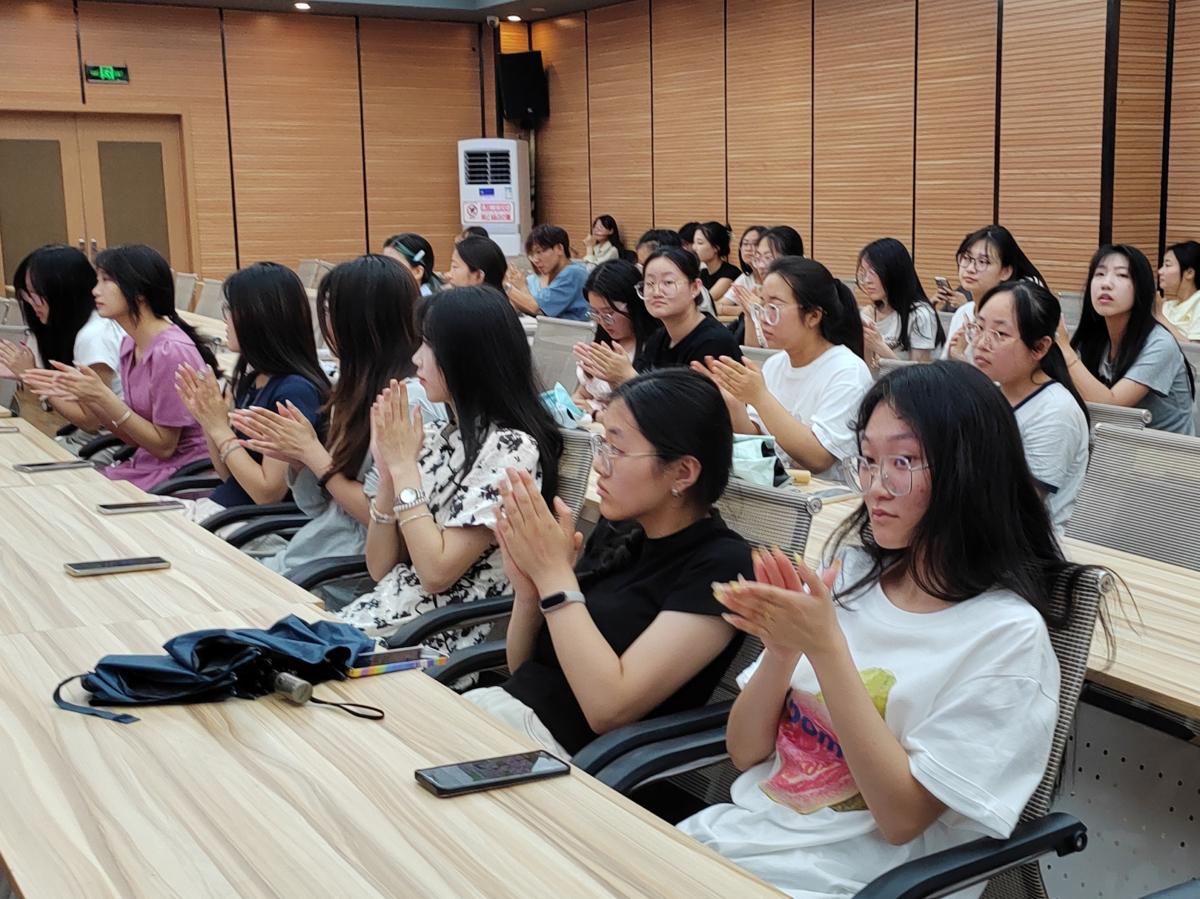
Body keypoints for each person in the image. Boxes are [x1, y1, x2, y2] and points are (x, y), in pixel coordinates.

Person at [679, 361, 1106, 898]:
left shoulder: (1006, 638)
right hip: (732, 845)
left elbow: (901, 818)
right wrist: (783, 653)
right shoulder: (851, 576)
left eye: (901, 462)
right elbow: (744, 753)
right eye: (868, 460)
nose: (875, 487)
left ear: (969, 472)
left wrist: (826, 649)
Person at [463, 368, 754, 758]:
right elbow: (525, 669)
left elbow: (608, 708)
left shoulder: (723, 565)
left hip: (563, 760)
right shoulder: (621, 529)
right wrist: (530, 592)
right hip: (503, 715)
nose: (600, 465)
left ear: (683, 472)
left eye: (616, 449)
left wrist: (555, 578)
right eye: (602, 445)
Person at [337, 286, 563, 644]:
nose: (416, 358)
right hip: (381, 620)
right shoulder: (443, 436)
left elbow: (435, 573)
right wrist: (390, 475)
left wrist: (404, 469)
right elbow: (380, 568)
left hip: (429, 642)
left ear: (468, 356)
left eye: (429, 345)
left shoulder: (512, 448)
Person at [232, 255, 428, 578]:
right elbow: (319, 506)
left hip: (344, 571)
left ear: (361, 321)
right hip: (314, 551)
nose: (324, 323)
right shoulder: (352, 389)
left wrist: (313, 454)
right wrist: (299, 460)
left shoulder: (409, 401)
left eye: (329, 311)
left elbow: (387, 520)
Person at [22, 245, 216, 490]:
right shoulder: (130, 344)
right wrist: (93, 398)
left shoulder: (170, 351)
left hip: (180, 476)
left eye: (106, 281)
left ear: (139, 292)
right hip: (146, 466)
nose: (95, 290)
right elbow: (133, 439)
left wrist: (103, 397)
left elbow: (165, 447)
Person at [174, 262, 330, 522]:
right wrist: (209, 420)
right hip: (228, 513)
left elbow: (266, 493)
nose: (225, 319)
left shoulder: (294, 391)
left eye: (231, 310)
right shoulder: (255, 380)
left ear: (259, 318)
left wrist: (220, 429)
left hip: (253, 525)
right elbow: (230, 475)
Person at [694, 257, 871, 478]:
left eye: (774, 307)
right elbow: (758, 440)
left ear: (813, 316)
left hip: (830, 496)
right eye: (761, 305)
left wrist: (760, 397)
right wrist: (733, 403)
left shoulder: (848, 371)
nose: (763, 318)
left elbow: (819, 458)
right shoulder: (775, 364)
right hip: (778, 491)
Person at [967, 281, 1089, 532]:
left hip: (1024, 544)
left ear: (1040, 347)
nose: (980, 343)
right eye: (979, 327)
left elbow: (1020, 508)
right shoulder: (992, 391)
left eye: (1000, 334)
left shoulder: (1056, 411)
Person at [1059, 244, 1195, 435]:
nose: (1106, 283)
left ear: (1141, 288)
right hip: (1113, 444)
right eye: (1099, 274)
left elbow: (1112, 408)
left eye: (1122, 275)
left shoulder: (1160, 343)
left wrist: (1065, 351)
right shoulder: (1095, 338)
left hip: (1161, 451)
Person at [0, 245, 125, 440]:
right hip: (100, 439)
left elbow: (91, 422)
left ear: (63, 291)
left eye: (35, 294)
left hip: (113, 443)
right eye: (26, 295)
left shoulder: (93, 336)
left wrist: (32, 376)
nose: (30, 303)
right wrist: (31, 373)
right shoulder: (84, 326)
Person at [941, 225, 1048, 359]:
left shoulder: (1011, 321)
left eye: (983, 261)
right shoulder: (962, 313)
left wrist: (959, 357)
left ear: (1005, 272)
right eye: (966, 258)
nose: (970, 268)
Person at [571, 259, 662, 409]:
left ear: (632, 305)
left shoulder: (654, 347)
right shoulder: (605, 341)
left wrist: (595, 413)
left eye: (608, 313)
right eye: (595, 313)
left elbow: (648, 408)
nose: (603, 321)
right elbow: (582, 394)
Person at [635, 246, 742, 371]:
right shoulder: (658, 338)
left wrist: (627, 375)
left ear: (695, 288)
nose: (656, 292)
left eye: (668, 282)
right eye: (650, 283)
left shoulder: (715, 343)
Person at [856, 237, 944, 363]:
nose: (867, 280)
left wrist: (879, 346)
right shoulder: (869, 313)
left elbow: (919, 372)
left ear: (894, 272)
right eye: (863, 273)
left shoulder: (920, 314)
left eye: (873, 272)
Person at [504, 224, 589, 321]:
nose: (535, 259)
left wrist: (507, 286)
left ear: (559, 249)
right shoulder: (535, 278)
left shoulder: (574, 273)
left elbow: (534, 307)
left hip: (572, 329)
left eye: (539, 252)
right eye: (531, 255)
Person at [715, 224, 768, 318]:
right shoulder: (745, 278)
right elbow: (718, 306)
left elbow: (769, 310)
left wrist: (725, 309)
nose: (748, 249)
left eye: (755, 244)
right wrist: (745, 309)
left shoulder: (775, 279)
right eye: (745, 244)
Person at [1157, 240, 1200, 341]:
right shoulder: (1167, 306)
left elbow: (1194, 349)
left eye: (1167, 265)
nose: (1160, 271)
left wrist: (1160, 316)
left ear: (1189, 273)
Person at [693, 222, 741, 302]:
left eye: (700, 243)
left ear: (716, 248)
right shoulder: (703, 273)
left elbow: (705, 302)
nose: (694, 247)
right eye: (694, 242)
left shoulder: (730, 273)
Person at [383, 233, 442, 297]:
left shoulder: (435, 302)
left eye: (393, 266)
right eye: (383, 264)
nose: (384, 271)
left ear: (417, 272)